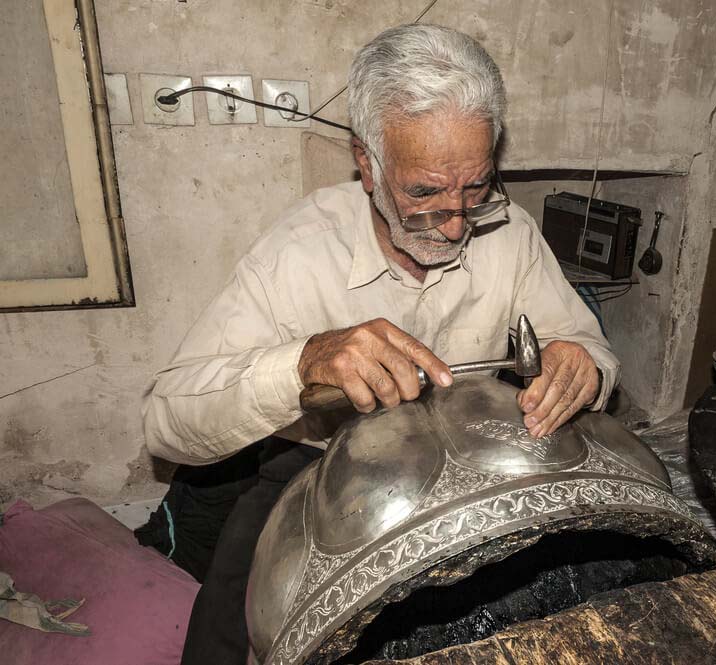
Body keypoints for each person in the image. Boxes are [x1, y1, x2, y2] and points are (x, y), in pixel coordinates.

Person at [142, 23, 620, 665]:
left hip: (472, 464)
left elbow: (581, 340)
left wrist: (582, 365)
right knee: (235, 641)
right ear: (367, 163)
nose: (455, 224)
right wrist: (304, 361)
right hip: (318, 476)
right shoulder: (299, 250)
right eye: (424, 193)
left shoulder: (509, 232)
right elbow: (165, 424)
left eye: (475, 187)